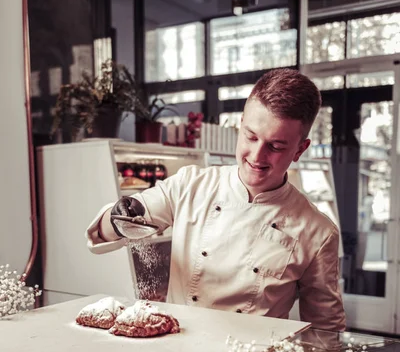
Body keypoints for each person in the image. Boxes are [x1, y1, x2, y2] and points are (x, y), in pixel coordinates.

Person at [86, 68, 345, 332]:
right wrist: (117, 218)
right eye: (251, 136)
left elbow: (326, 329)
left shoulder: (318, 231)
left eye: (276, 146)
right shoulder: (191, 185)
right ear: (241, 124)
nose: (257, 155)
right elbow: (111, 230)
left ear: (300, 149)